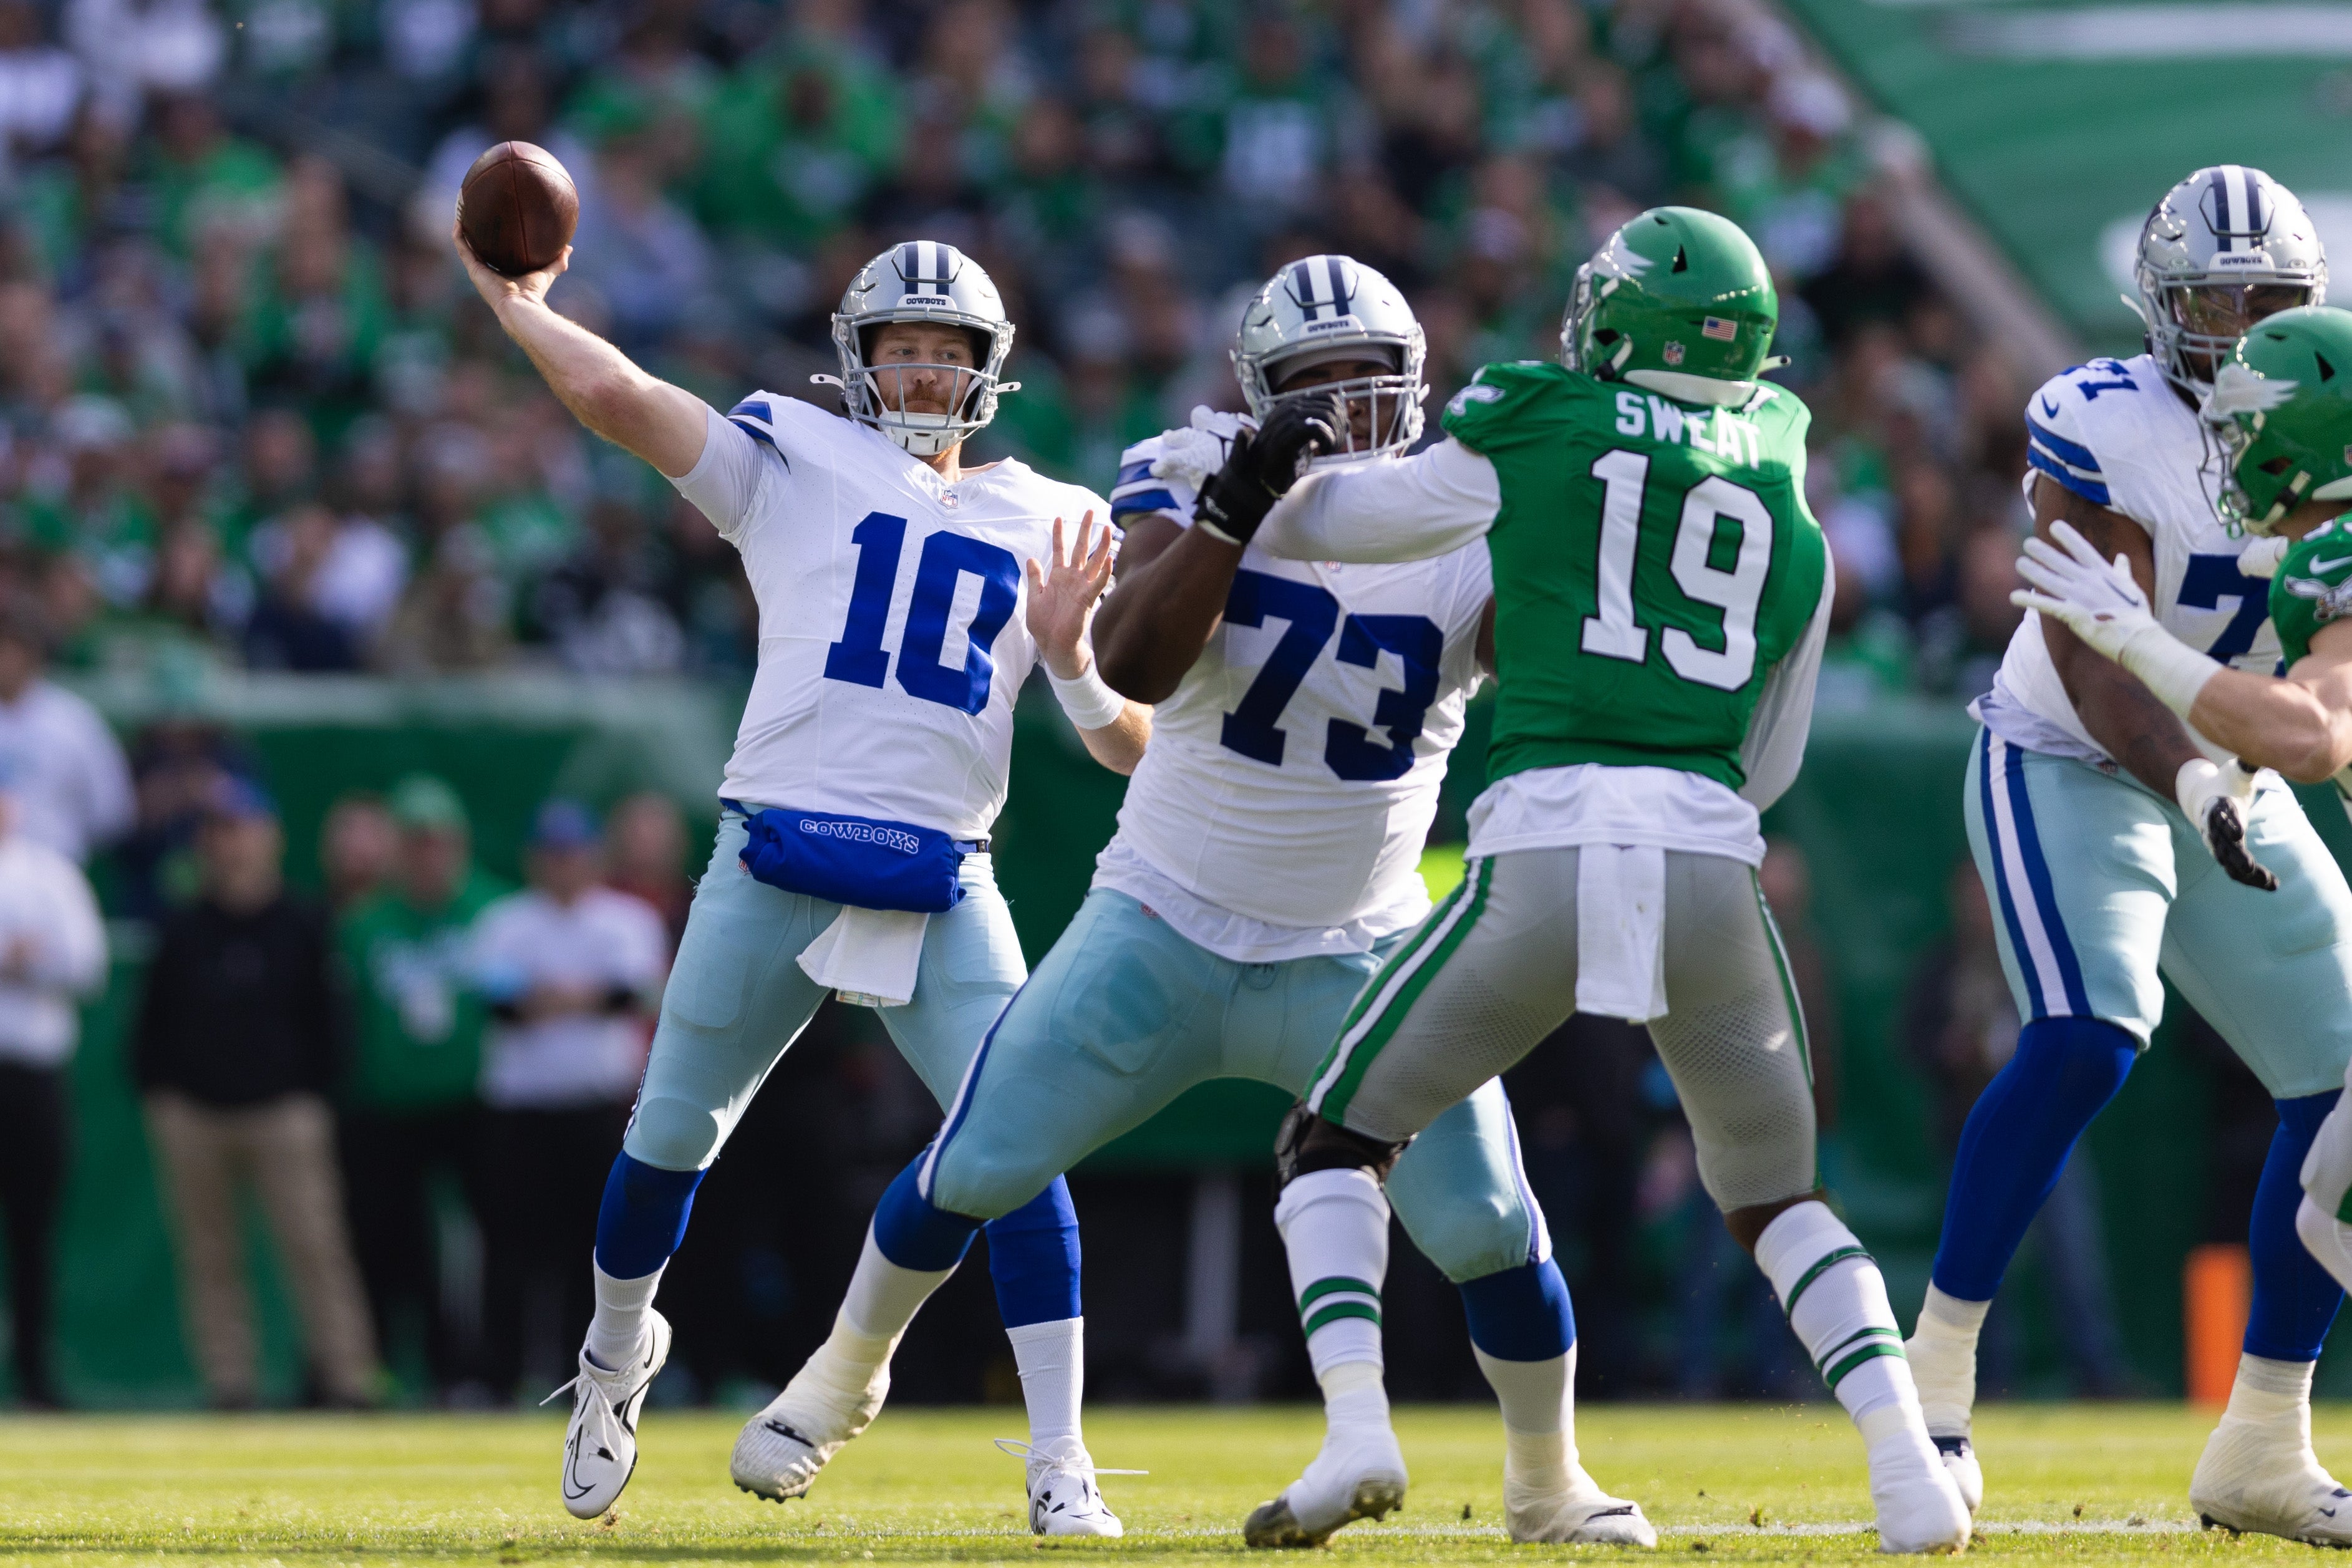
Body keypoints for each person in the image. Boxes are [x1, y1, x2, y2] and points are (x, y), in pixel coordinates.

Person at [773, 256, 1649, 1547]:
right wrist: (1241, 509)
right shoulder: (1188, 469)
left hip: (1360, 943)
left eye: (1370, 381)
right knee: (973, 1160)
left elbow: (1545, 662)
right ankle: (837, 1381)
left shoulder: (1463, 515)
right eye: (1317, 382)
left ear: (1413, 392)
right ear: (1258, 393)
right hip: (1164, 919)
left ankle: (1547, 1481)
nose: (1346, 407)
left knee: (1490, 1227)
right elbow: (1132, 656)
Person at [1226, 208, 1969, 1552]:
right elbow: (1774, 755)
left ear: (1621, 321)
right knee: (1780, 1202)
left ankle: (1357, 1430)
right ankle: (1908, 1469)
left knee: (1332, 1137)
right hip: (1707, 851)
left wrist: (1257, 485)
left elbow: (1350, 523)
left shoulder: (1537, 413)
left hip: (1546, 837)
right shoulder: (1788, 469)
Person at [449, 226, 1149, 1529]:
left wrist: (1076, 662)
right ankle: (614, 1356)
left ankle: (1061, 1459)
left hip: (945, 871)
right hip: (776, 847)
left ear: (988, 370)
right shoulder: (791, 458)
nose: (927, 375)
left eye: (948, 354)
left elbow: (1125, 752)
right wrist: (517, 303)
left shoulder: (1056, 516)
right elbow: (616, 398)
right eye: (903, 351)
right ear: (858, 361)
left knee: (1020, 1145)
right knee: (670, 1133)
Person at [1902, 170, 2352, 1545]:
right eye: (2214, 302)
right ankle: (1933, 1379)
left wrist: (2230, 777)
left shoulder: (2331, 433)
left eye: (2266, 302)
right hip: (2074, 755)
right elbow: (2084, 652)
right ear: (2158, 310)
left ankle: (2263, 1439)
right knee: (2092, 1032)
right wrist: (2194, 777)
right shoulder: (2103, 420)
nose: (2238, 327)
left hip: (2252, 766)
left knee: (2343, 1086)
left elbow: (2318, 720)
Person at [2015, 306, 2352, 1544]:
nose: (2227, 460)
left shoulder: (2334, 556)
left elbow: (2310, 739)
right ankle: (2257, 1451)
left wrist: (2135, 641)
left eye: (2249, 435)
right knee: (2328, 1187)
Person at [133, 778, 379, 1409]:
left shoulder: (303, 921)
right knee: (211, 1257)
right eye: (216, 830)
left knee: (316, 1248)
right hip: (195, 1113)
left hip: (284, 1110)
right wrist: (164, 1097)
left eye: (240, 827)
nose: (229, 843)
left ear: (270, 837)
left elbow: (330, 1022)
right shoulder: (184, 926)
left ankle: (347, 1376)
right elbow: (152, 1023)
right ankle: (231, 1383)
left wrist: (316, 1093)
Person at [467, 801, 668, 1401]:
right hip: (521, 1111)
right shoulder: (505, 921)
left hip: (598, 1108)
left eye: (572, 852)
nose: (562, 865)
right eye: (552, 853)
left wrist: (551, 997)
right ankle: (501, 1378)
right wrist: (582, 995)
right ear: (535, 860)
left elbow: (627, 994)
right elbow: (500, 1004)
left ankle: (587, 1375)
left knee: (596, 1252)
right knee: (513, 1250)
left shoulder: (625, 918)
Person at [337, 774, 506, 1400]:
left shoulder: (494, 912)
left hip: (475, 1102)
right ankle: (401, 1368)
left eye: (439, 841)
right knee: (392, 1243)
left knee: (488, 1240)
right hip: (391, 1106)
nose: (428, 855)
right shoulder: (364, 925)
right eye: (416, 842)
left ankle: (484, 1367)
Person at [0, 790, 105, 1406]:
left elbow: (86, 965)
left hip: (35, 1076)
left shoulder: (48, 874)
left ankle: (37, 1375)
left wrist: (32, 963)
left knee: (34, 1231)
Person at [0, 594, 132, 865]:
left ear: (31, 652)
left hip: (55, 870)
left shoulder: (74, 721)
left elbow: (111, 813)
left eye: (8, 648)